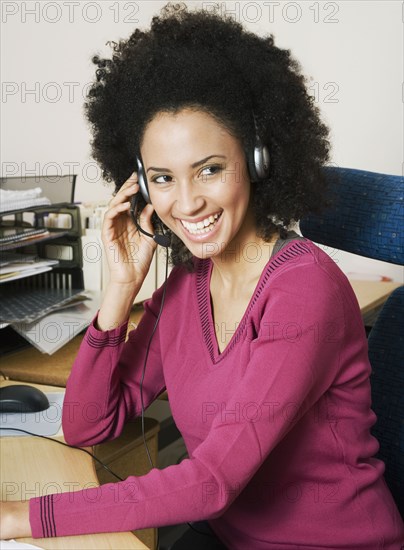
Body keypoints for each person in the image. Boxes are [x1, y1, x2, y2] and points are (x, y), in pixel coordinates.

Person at [2, 4, 403, 549]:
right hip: (225, 536)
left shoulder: (304, 291)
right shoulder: (186, 286)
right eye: (163, 178)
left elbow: (211, 481)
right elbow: (88, 427)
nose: (186, 202)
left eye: (209, 169)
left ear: (259, 159)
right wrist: (120, 290)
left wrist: (19, 517)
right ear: (142, 186)